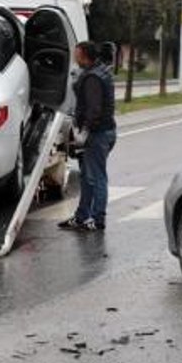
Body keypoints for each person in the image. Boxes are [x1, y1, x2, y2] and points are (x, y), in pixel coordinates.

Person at [59, 41, 117, 232]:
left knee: (98, 177)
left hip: (97, 134)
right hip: (102, 132)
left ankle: (98, 219)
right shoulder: (101, 71)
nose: (75, 58)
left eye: (77, 54)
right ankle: (82, 216)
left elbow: (94, 109)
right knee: (87, 177)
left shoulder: (92, 78)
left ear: (84, 55)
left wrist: (84, 132)